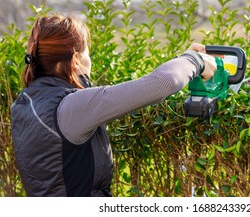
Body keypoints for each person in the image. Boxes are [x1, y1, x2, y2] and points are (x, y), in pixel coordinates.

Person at [10, 14, 217, 197]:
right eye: (87, 54)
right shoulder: (69, 108)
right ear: (75, 60)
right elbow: (163, 83)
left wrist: (182, 61)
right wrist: (195, 61)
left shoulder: (26, 102)